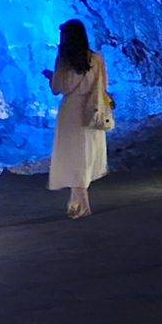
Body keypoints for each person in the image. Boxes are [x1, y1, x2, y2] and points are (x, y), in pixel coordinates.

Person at [45, 20, 110, 218]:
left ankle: (83, 206)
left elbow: (58, 88)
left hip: (71, 110)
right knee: (85, 155)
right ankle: (76, 204)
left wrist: (51, 77)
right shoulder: (97, 59)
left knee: (72, 156)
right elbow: (103, 85)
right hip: (91, 110)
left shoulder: (64, 61)